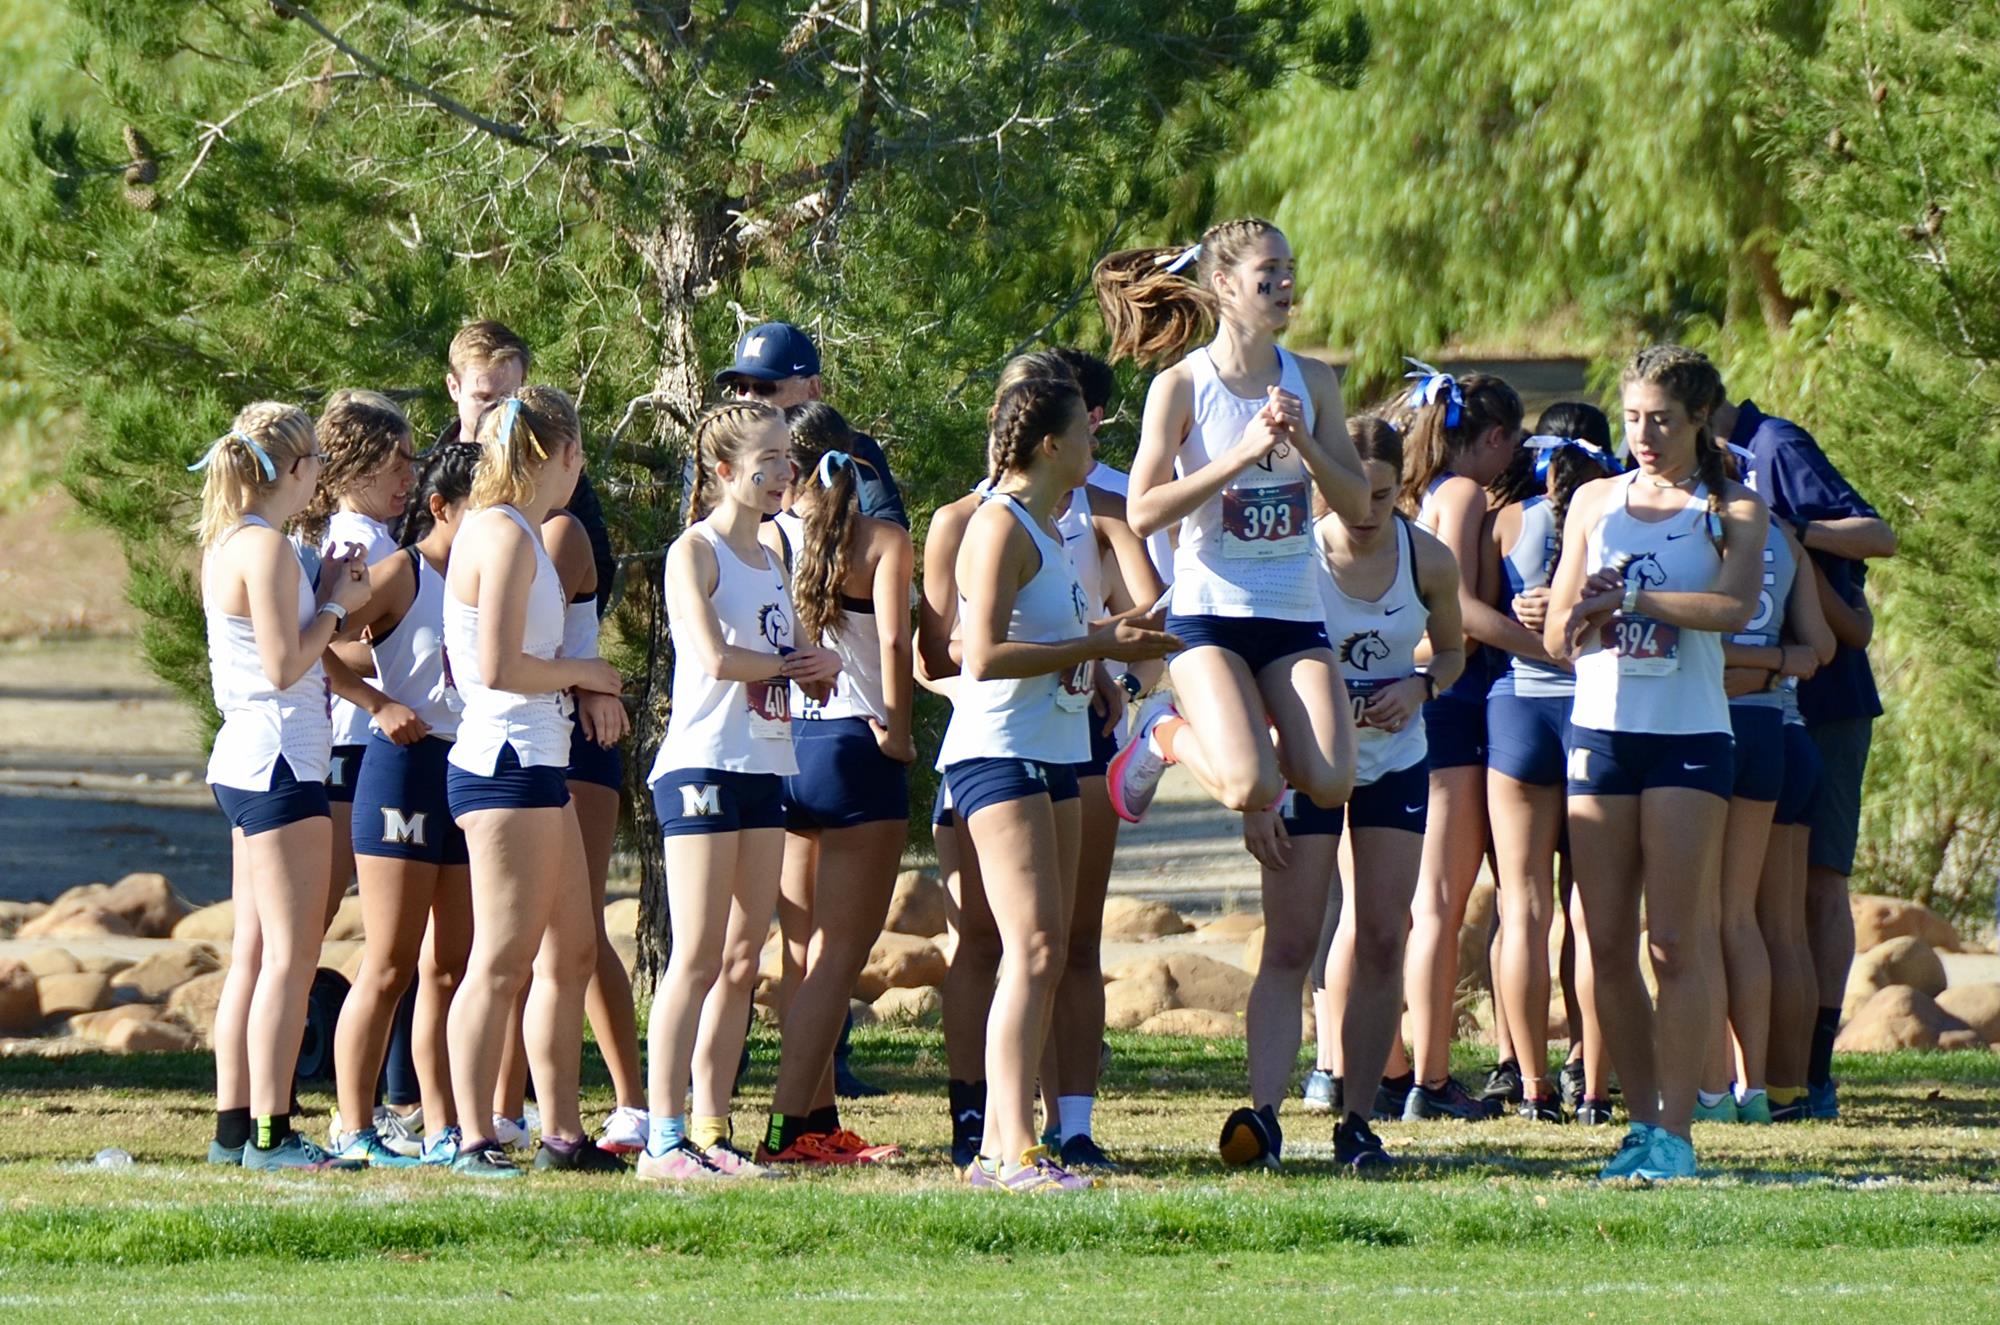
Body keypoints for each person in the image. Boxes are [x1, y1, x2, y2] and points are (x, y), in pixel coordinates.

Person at [944, 373, 1176, 1192]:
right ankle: (1009, 1152)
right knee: (1032, 948)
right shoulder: (997, 525)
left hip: (1055, 748)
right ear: (1050, 443)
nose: (1094, 448)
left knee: (1047, 951)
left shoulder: (1051, 522)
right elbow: (980, 656)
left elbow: (1059, 635)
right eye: (1085, 433)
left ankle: (1010, 1146)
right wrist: (1094, 647)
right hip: (998, 752)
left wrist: (1113, 644)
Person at [1545, 345, 1767, 1181]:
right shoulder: (1594, 500)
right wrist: (1574, 614)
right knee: (1604, 945)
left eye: (1661, 420)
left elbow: (1734, 605)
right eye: (1633, 417)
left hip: (1689, 738)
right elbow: (1555, 631)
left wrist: (1634, 599)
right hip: (1599, 732)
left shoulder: (1733, 507)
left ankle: (1678, 1128)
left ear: (1700, 418)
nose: (1643, 434)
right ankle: (1639, 1124)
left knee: (1672, 940)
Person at [1220, 416, 1458, 1172]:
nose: (1365, 511)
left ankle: (1358, 1121)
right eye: (1352, 493)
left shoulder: (1429, 558)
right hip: (1306, 764)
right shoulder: (1291, 557)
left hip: (1395, 761)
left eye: (1383, 497)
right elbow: (1246, 669)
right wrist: (1258, 788)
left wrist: (1419, 685)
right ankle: (1261, 1114)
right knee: (1291, 940)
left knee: (1386, 934)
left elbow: (1452, 651)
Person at [1093, 218, 1367, 838]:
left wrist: (1305, 443)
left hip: (1294, 611)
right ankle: (1163, 732)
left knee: (1330, 783)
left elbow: (1356, 504)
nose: (1286, 283)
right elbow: (1141, 512)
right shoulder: (1182, 385)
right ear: (1223, 282)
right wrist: (1240, 455)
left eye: (1288, 269)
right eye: (1268, 273)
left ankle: (1253, 745)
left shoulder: (1313, 379)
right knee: (1248, 785)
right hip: (1209, 610)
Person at [639, 401, 840, 1181]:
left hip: (763, 763)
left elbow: (780, 655)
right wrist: (794, 663)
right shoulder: (695, 550)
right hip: (702, 765)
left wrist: (815, 668)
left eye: (789, 457)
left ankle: (709, 1127)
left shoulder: (774, 554)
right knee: (693, 953)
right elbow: (714, 656)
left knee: (739, 957)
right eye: (768, 459)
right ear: (724, 470)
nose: (785, 471)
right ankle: (661, 1138)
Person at [440, 387, 627, 1178]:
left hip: (542, 759)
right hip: (505, 761)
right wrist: (590, 671)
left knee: (573, 949)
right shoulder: (505, 535)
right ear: (562, 456)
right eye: (579, 452)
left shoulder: (517, 530)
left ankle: (561, 1131)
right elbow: (497, 668)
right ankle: (473, 1134)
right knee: (501, 956)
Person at [193, 402, 369, 1170]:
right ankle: (271, 1131)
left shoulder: (237, 540)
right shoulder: (261, 549)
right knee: (290, 958)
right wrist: (335, 602)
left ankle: (235, 1128)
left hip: (247, 757)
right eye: (317, 467)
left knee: (256, 952)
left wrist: (322, 589)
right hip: (278, 758)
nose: (321, 480)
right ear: (293, 471)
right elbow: (282, 665)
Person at [1713, 392, 1897, 1120]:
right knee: (1756, 905)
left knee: (1814, 889)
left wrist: (1792, 534)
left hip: (1823, 707)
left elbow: (1877, 538)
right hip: (1757, 707)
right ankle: (1762, 1075)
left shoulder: (1775, 447)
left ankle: (1809, 1072)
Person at [755, 401, 914, 1165]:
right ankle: (788, 1126)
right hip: (857, 742)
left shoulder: (768, 538)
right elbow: (891, 639)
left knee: (799, 953)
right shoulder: (880, 540)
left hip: (791, 746)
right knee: (839, 957)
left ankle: (816, 1117)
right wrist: (901, 728)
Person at [325, 442, 481, 1166]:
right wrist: (377, 701)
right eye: (484, 504)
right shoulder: (403, 571)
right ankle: (353, 1124)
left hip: (467, 768)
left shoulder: (490, 575)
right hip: (402, 769)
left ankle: (442, 1121)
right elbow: (317, 645)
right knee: (388, 960)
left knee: (450, 962)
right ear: (443, 506)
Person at [1482, 404, 1622, 1122]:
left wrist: (1525, 635)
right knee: (1594, 912)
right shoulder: (1616, 518)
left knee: (1523, 906)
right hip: (1594, 712)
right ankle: (1594, 1087)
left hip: (1519, 713)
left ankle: (1531, 1083)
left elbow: (1466, 610)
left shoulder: (1506, 519)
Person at [1394, 365, 1523, 1122]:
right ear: (1495, 437)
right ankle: (1432, 1077)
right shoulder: (1467, 494)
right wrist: (1545, 647)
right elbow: (1467, 614)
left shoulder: (1410, 492)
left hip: (1407, 695)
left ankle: (1382, 1061)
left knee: (1406, 902)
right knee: (1440, 900)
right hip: (1455, 700)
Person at [1698, 481, 1833, 1125]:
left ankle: (1718, 1086)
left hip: (1725, 731)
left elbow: (1697, 645)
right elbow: (1822, 648)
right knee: (1776, 927)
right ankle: (1787, 1088)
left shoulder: (1692, 529)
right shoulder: (1783, 538)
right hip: (1788, 736)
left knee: (1713, 919)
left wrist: (1751, 664)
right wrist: (1779, 662)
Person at [548, 495, 646, 1153]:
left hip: (569, 734)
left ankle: (632, 1103)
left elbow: (527, 638)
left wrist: (593, 680)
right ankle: (498, 1107)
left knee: (575, 929)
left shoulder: (561, 528)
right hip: (507, 738)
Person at [302, 390, 419, 934]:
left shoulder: (370, 536)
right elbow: (323, 646)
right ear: (355, 470)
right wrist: (409, 656)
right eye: (397, 466)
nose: (409, 479)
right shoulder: (358, 544)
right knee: (314, 908)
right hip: (349, 738)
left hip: (348, 737)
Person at [716, 321, 909, 529]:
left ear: (812, 389)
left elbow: (891, 531)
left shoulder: (853, 450)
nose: (749, 399)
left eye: (764, 388)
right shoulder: (717, 455)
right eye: (741, 387)